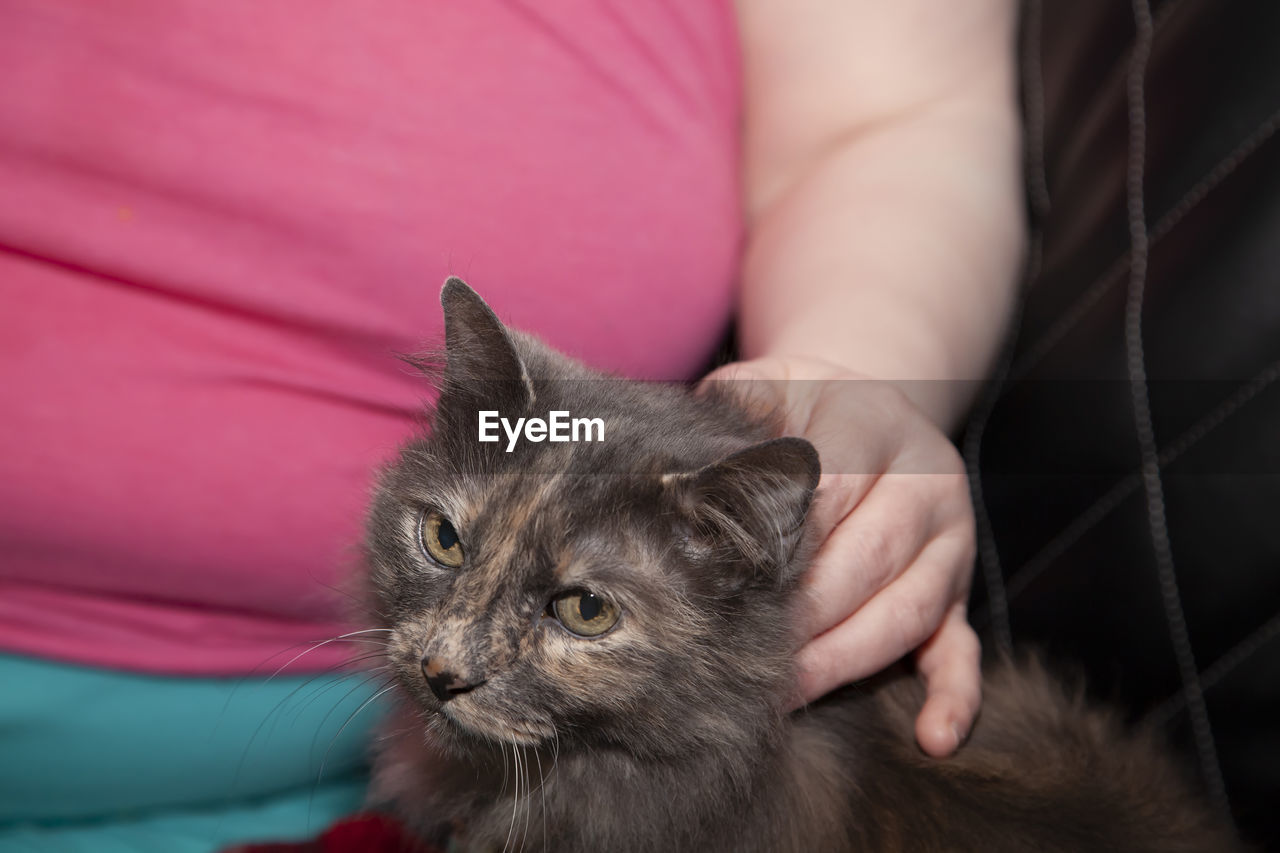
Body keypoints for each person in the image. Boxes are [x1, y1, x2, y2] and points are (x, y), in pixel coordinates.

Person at [0, 1, 1021, 849]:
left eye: (575, 614)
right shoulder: (496, 459)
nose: (446, 654)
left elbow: (891, 118)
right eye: (442, 539)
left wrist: (850, 377)